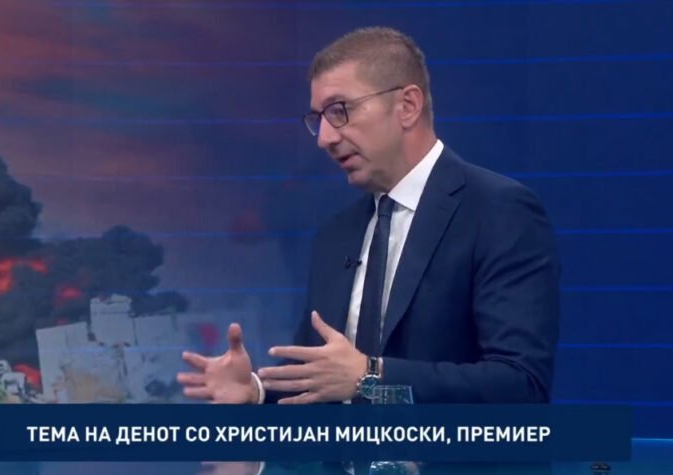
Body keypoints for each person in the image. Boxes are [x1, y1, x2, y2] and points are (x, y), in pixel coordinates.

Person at [177, 26, 559, 406]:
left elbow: (520, 386)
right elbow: (324, 376)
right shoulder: (335, 235)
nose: (324, 138)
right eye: (318, 119)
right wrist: (257, 392)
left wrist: (370, 378)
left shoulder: (497, 211)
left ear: (407, 106)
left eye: (339, 111)